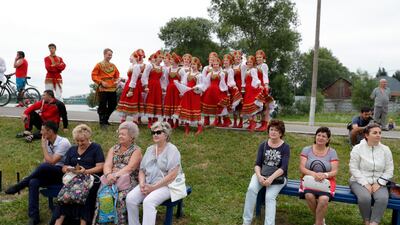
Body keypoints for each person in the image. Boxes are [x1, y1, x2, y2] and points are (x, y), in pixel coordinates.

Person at [5, 121, 71, 225]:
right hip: (51, 172)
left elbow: (52, 161)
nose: (40, 132)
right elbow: (46, 162)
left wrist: (43, 146)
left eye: (42, 130)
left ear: (49, 131)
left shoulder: (63, 142)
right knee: (33, 182)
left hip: (63, 174)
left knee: (44, 166)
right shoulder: (49, 142)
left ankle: (20, 185)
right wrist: (40, 170)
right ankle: (34, 217)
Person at [126, 121, 184, 225]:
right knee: (130, 198)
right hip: (149, 183)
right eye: (153, 133)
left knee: (148, 201)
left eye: (158, 132)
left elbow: (172, 176)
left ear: (166, 134)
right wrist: (142, 184)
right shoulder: (149, 149)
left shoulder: (172, 150)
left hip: (167, 186)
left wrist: (153, 188)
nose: (155, 135)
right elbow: (142, 170)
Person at [54, 124, 105, 225]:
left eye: (82, 141)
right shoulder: (72, 149)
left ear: (88, 138)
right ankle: (58, 222)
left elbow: (100, 167)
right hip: (73, 178)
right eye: (77, 141)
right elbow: (64, 167)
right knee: (65, 194)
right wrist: (69, 169)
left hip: (90, 178)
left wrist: (85, 171)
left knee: (84, 192)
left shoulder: (96, 148)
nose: (79, 143)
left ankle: (83, 222)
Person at [242, 119, 290, 225]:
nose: (273, 132)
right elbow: (257, 164)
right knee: (251, 189)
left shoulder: (285, 147)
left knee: (269, 197)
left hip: (278, 177)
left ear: (281, 133)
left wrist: (271, 178)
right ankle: (246, 221)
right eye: (271, 129)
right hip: (261, 174)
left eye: (276, 130)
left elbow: (284, 167)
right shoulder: (263, 145)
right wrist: (259, 176)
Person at [94, 121, 142, 225]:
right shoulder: (114, 148)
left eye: (123, 134)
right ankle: (104, 220)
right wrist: (108, 175)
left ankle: (120, 222)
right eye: (119, 134)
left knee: (120, 197)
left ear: (132, 136)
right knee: (102, 194)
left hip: (128, 181)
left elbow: (130, 168)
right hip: (111, 179)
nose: (120, 136)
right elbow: (107, 165)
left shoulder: (136, 150)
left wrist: (115, 175)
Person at [349, 123, 394, 225]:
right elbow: (353, 168)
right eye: (375, 133)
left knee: (382, 198)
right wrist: (365, 183)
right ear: (366, 135)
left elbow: (389, 169)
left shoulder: (385, 149)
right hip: (358, 181)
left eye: (379, 133)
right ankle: (367, 221)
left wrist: (380, 182)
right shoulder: (357, 148)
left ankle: (374, 223)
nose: (378, 135)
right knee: (365, 197)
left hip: (379, 181)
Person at [299, 127, 339, 225]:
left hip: (327, 180)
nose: (320, 138)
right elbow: (302, 168)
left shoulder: (332, 152)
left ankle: (318, 222)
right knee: (309, 195)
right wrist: (314, 174)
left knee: (324, 199)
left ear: (328, 139)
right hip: (309, 179)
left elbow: (335, 171)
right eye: (319, 135)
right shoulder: (307, 149)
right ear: (315, 136)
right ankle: (321, 221)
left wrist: (324, 175)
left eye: (324, 136)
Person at [91, 48, 120, 128]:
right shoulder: (99, 65)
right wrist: (101, 82)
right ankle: (102, 122)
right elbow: (94, 75)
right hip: (103, 88)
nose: (110, 56)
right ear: (104, 54)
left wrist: (117, 81)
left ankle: (105, 119)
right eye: (108, 55)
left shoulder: (113, 65)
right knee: (102, 105)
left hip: (112, 88)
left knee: (113, 105)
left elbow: (117, 75)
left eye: (111, 55)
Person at [175, 57, 204, 135]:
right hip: (187, 94)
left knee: (195, 110)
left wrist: (197, 87)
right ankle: (187, 128)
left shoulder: (199, 75)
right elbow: (184, 83)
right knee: (186, 109)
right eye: (191, 64)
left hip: (195, 94)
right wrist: (181, 89)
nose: (192, 65)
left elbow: (201, 85)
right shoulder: (187, 73)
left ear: (198, 65)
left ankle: (199, 128)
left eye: (194, 64)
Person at [117, 49, 146, 123]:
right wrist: (122, 80)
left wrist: (131, 90)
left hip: (133, 87)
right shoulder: (131, 66)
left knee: (133, 103)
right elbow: (130, 78)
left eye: (131, 56)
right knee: (126, 104)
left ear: (135, 57)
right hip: (128, 85)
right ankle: (123, 122)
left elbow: (134, 79)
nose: (130, 58)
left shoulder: (136, 66)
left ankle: (134, 122)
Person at [201, 58, 230, 127]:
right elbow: (206, 83)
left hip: (218, 90)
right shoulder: (210, 74)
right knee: (209, 103)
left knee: (220, 105)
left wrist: (225, 91)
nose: (215, 65)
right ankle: (210, 120)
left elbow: (223, 83)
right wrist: (203, 90)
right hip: (210, 91)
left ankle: (226, 121)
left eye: (216, 64)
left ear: (219, 65)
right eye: (214, 64)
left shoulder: (222, 73)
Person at [141, 50, 164, 128]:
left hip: (158, 86)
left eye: (162, 58)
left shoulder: (162, 68)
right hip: (151, 85)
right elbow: (145, 76)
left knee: (157, 101)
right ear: (156, 58)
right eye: (159, 57)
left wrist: (163, 88)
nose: (161, 59)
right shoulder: (150, 66)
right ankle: (150, 121)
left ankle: (155, 120)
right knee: (150, 101)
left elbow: (163, 79)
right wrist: (146, 86)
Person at [241, 55, 263, 131]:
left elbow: (256, 78)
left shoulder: (253, 70)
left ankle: (253, 123)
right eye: (248, 62)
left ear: (253, 63)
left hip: (251, 90)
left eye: (251, 62)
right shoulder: (247, 70)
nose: (249, 63)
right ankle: (251, 123)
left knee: (252, 107)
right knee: (248, 107)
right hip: (247, 90)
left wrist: (259, 85)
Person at [163, 52, 185, 128]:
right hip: (169, 89)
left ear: (175, 60)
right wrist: (166, 88)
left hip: (177, 89)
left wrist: (181, 90)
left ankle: (177, 121)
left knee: (176, 104)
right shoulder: (168, 69)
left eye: (172, 59)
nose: (170, 61)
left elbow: (183, 81)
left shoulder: (181, 70)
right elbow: (166, 80)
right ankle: (170, 121)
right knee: (169, 103)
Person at [255, 50, 274, 132]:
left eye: (260, 57)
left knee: (265, 105)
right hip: (257, 87)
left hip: (263, 86)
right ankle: (260, 123)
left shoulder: (264, 65)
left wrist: (266, 85)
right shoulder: (255, 66)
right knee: (259, 106)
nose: (258, 59)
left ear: (263, 58)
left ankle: (265, 124)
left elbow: (265, 76)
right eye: (257, 57)